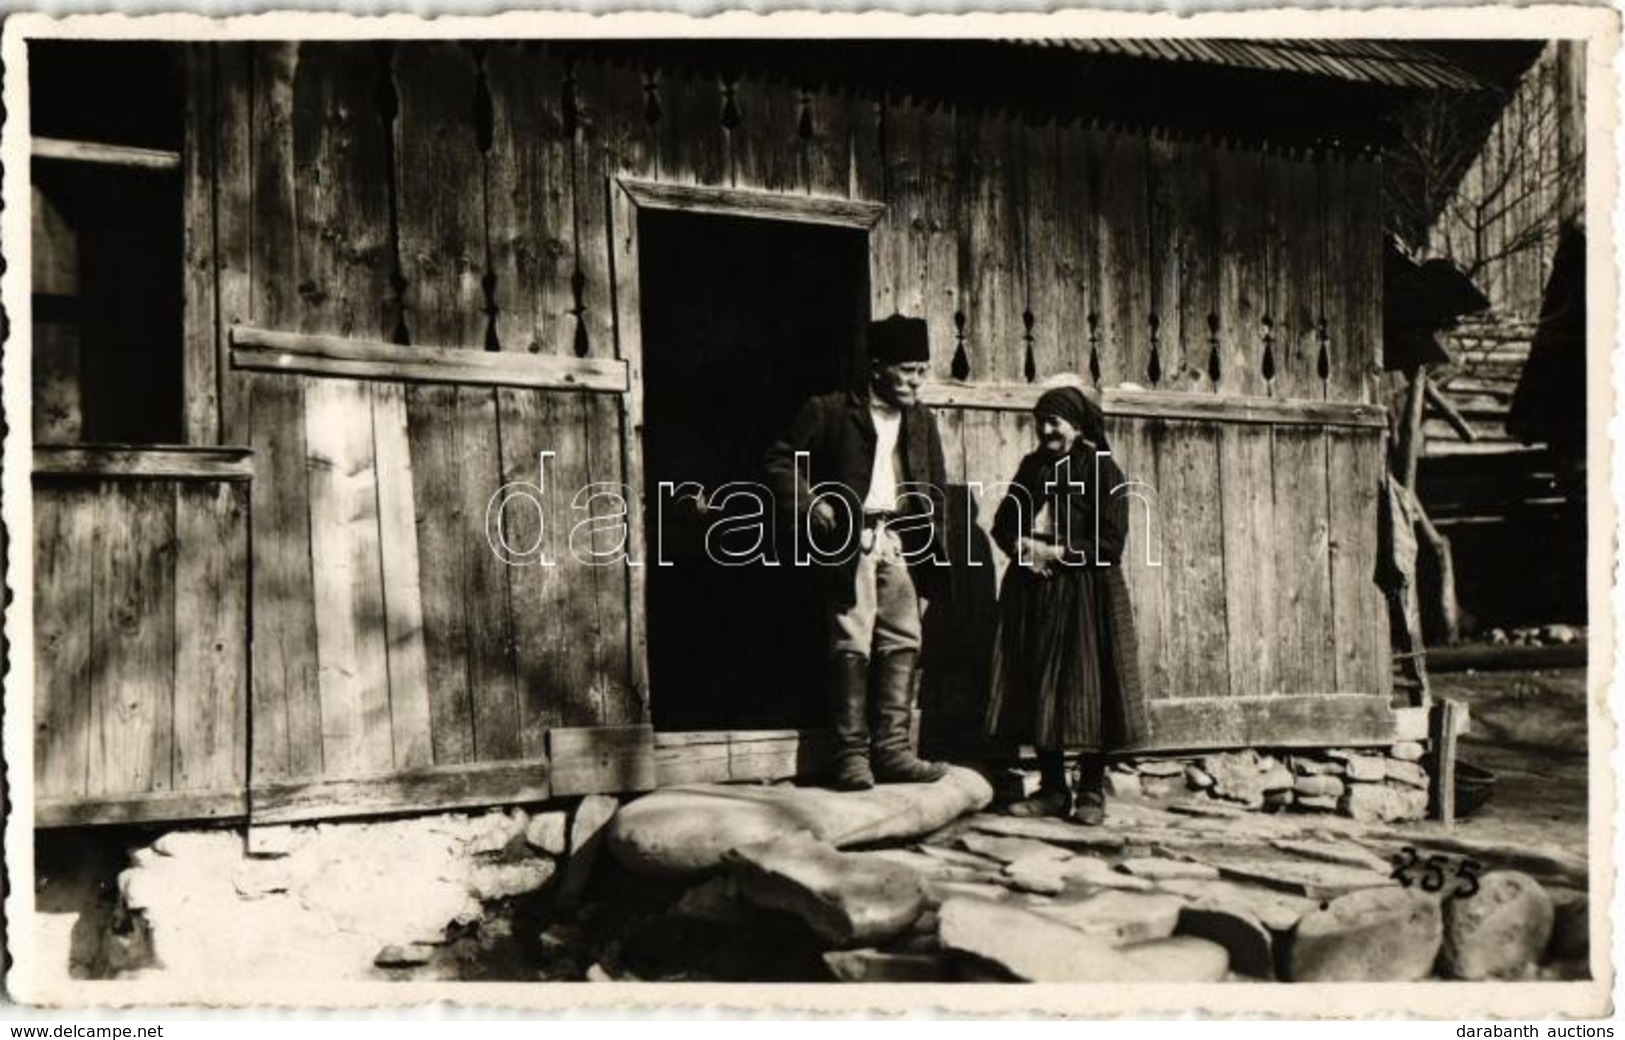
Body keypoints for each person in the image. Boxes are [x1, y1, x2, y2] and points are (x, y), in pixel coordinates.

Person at [763, 314, 952, 790]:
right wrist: (811, 503)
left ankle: (892, 752)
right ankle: (850, 757)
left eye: (922, 370)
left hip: (902, 541)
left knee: (904, 640)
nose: (916, 380)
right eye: (908, 369)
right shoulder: (828, 411)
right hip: (850, 544)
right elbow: (779, 459)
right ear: (876, 368)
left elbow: (936, 486)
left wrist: (932, 554)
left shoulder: (921, 420)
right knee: (851, 642)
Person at [983, 385, 1149, 824]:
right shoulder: (1032, 467)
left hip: (1086, 591)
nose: (1046, 429)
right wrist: (1021, 550)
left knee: (1093, 688)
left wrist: (1056, 554)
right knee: (1039, 684)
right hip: (1034, 590)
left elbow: (1111, 543)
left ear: (1077, 427)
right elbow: (1003, 524)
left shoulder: (1101, 468)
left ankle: (1091, 790)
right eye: (1040, 420)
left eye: (1054, 421)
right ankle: (1053, 789)